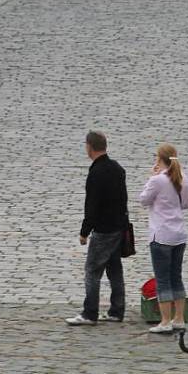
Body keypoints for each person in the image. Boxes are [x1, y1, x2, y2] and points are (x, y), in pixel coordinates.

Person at [66, 131, 128, 326]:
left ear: (90, 147)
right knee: (115, 270)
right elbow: (123, 199)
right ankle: (117, 311)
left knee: (92, 271)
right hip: (119, 228)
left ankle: (89, 313)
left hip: (103, 230)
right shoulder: (117, 168)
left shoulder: (96, 173)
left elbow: (91, 206)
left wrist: (84, 232)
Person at [139, 143, 188, 334]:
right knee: (176, 277)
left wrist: (151, 177)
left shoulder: (158, 180)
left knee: (163, 279)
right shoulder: (183, 178)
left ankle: (165, 320)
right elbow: (186, 203)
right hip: (179, 234)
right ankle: (179, 318)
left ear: (159, 159)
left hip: (161, 234)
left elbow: (143, 199)